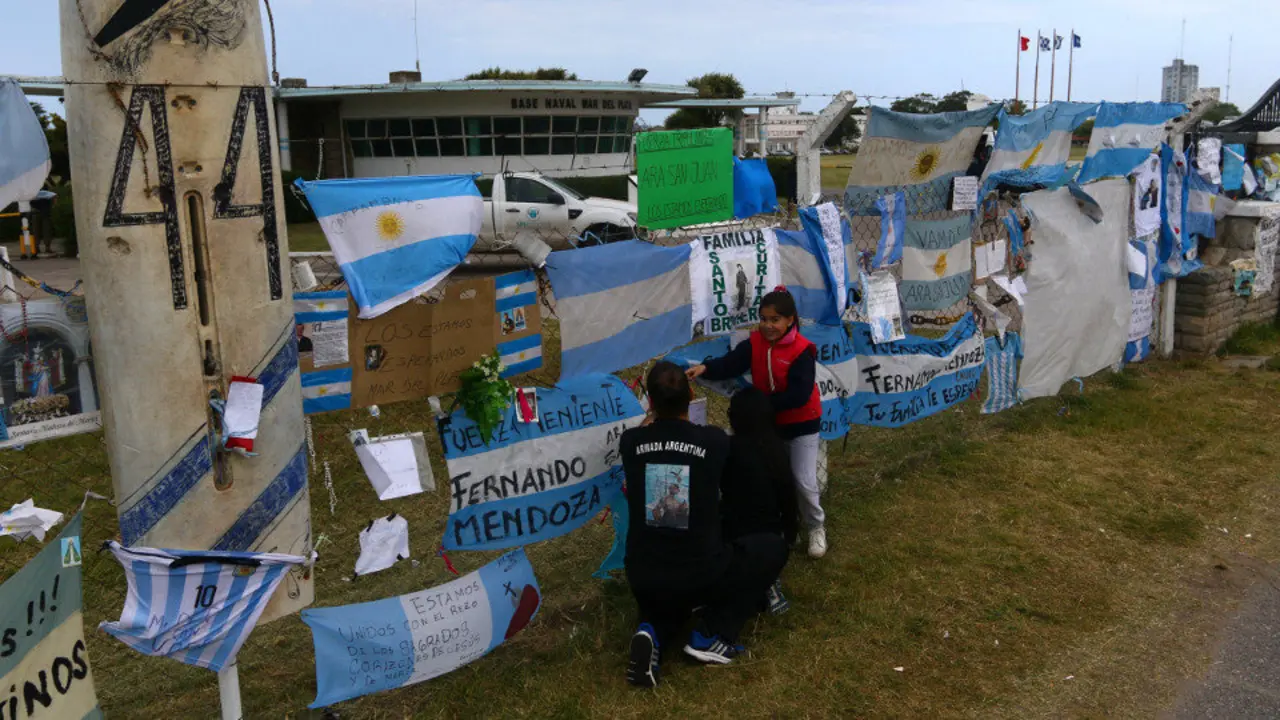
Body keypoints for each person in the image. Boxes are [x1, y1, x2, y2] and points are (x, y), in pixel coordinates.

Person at [622, 362, 788, 688]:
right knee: (771, 547)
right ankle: (713, 633)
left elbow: (644, 432)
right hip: (700, 572)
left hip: (642, 573)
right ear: (692, 395)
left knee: (666, 599)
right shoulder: (714, 441)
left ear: (651, 403)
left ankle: (652, 633)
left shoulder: (630, 442)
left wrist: (655, 415)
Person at [686, 287, 829, 559]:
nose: (768, 325)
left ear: (790, 320)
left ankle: (816, 526)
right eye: (763, 319)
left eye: (775, 320)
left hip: (802, 424)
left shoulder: (802, 351)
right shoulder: (754, 343)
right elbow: (732, 364)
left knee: (803, 480)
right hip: (769, 425)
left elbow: (799, 395)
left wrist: (762, 405)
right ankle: (787, 526)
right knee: (773, 477)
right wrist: (706, 368)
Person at [724, 387, 799, 614]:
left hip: (733, 534)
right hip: (771, 538)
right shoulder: (777, 451)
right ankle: (768, 583)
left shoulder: (729, 449)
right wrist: (789, 534)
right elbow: (788, 498)